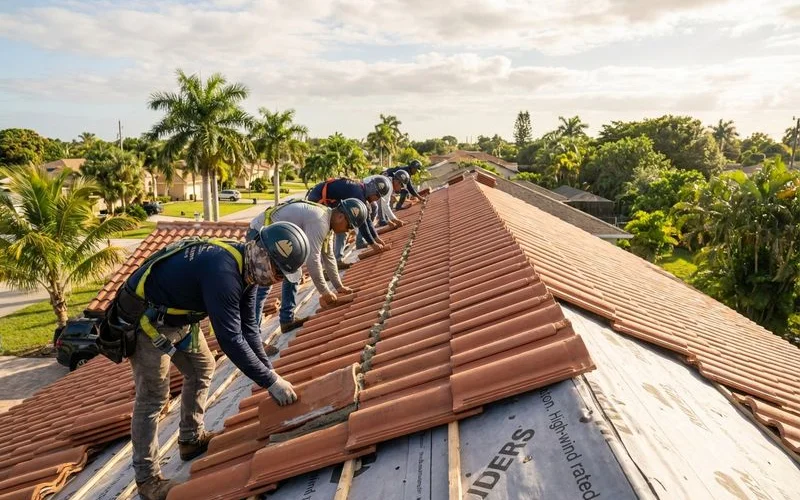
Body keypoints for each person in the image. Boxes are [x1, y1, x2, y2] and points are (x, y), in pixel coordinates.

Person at [107, 222, 310, 500]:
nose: (276, 280)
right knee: (154, 398)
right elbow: (230, 339)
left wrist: (270, 375)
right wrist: (271, 382)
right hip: (147, 323)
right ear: (262, 253)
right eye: (277, 271)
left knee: (203, 366)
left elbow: (249, 329)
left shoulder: (247, 268)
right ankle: (148, 480)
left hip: (179, 317)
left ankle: (191, 439)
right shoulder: (223, 272)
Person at [249, 198, 367, 333]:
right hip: (260, 232)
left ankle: (287, 320)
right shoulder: (319, 221)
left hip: (275, 235)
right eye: (349, 226)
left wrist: (339, 286)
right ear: (341, 216)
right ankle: (254, 337)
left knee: (294, 272)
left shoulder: (327, 221)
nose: (347, 231)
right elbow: (313, 259)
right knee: (264, 284)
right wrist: (325, 292)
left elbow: (328, 257)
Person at [306, 177, 389, 264]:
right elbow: (363, 224)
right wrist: (373, 244)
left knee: (342, 226)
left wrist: (376, 238)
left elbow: (367, 218)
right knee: (336, 228)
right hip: (318, 198)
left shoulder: (360, 191)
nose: (377, 199)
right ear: (372, 191)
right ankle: (327, 262)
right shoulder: (358, 194)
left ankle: (336, 259)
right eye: (378, 196)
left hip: (326, 198)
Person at [355, 172, 408, 248]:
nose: (400, 189)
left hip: (364, 189)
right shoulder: (388, 186)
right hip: (363, 191)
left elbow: (383, 205)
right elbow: (385, 206)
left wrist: (389, 220)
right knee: (364, 214)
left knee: (374, 208)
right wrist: (395, 220)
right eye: (401, 186)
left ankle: (368, 233)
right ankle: (360, 240)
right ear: (397, 182)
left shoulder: (387, 182)